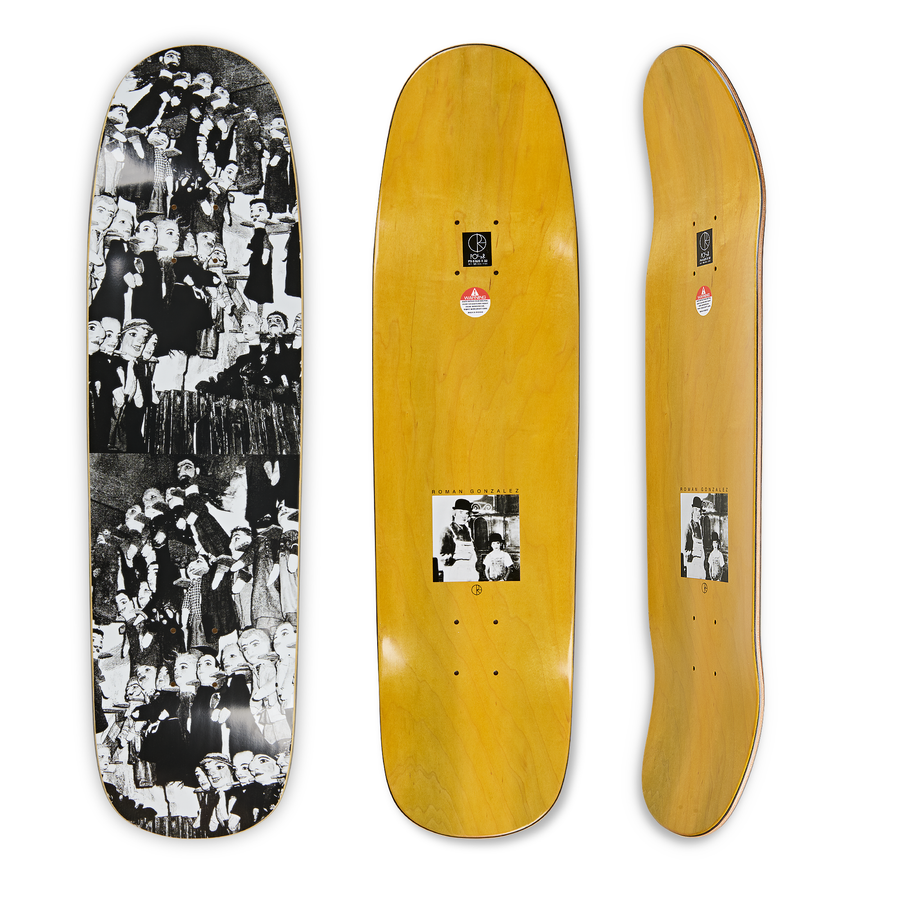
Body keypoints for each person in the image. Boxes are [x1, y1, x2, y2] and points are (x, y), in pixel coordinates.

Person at [438, 499, 478, 582]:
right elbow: (442, 558)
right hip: (455, 574)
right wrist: (457, 556)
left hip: (470, 573)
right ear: (454, 513)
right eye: (461, 512)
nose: (464, 516)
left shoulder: (468, 531)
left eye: (466, 513)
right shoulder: (447, 531)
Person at [683, 496, 706, 579]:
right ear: (693, 511)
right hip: (693, 565)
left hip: (701, 564)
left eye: (699, 511)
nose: (698, 513)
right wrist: (692, 554)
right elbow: (686, 551)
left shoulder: (701, 527)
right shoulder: (689, 527)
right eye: (696, 510)